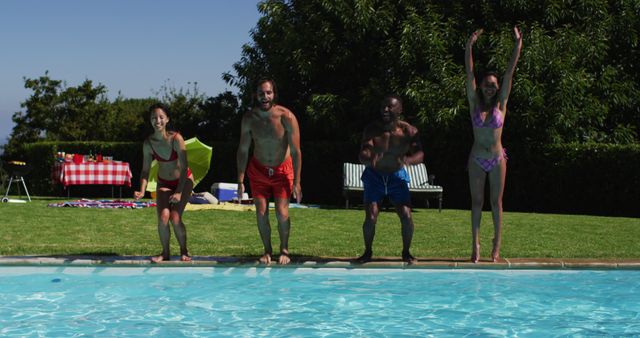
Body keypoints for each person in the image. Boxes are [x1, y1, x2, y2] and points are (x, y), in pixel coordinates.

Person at [465, 27, 522, 263]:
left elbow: (509, 73)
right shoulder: (474, 105)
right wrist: (469, 46)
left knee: (496, 202)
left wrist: (518, 46)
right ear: (481, 87)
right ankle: (475, 244)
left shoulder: (502, 105)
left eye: (493, 84)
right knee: (477, 202)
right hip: (477, 158)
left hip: (498, 158)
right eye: (486, 84)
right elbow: (469, 74)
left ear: (498, 88)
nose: (490, 87)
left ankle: (496, 247)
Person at [236, 78, 302, 265]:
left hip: (282, 171)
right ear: (255, 95)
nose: (265, 97)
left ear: (274, 94)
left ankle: (284, 249)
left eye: (268, 93)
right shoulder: (249, 118)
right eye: (261, 93)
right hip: (258, 170)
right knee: (261, 213)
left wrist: (297, 181)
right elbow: (242, 149)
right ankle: (267, 251)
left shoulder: (286, 116)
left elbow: (296, 151)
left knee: (282, 213)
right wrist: (240, 180)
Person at [357, 95, 424, 264]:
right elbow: (363, 152)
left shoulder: (409, 131)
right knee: (371, 216)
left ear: (400, 110)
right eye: (383, 107)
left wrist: (408, 160)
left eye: (390, 107)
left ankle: (406, 252)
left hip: (396, 176)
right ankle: (367, 252)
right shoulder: (372, 130)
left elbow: (420, 154)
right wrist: (369, 157)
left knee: (407, 215)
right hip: (374, 176)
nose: (385, 110)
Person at [134, 103, 194, 263]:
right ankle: (165, 253)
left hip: (184, 180)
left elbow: (184, 168)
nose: (157, 120)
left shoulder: (176, 139)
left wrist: (180, 192)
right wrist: (141, 190)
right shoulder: (148, 144)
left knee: (175, 217)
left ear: (167, 119)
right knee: (163, 218)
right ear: (150, 120)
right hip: (164, 182)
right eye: (154, 118)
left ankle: (184, 250)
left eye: (161, 117)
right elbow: (145, 170)